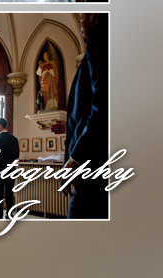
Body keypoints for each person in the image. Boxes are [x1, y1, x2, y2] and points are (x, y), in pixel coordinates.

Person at [56, 14, 107, 218]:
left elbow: (104, 102)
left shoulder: (101, 37)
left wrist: (77, 157)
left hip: (91, 164)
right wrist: (68, 126)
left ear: (92, 16)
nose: (80, 28)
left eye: (81, 20)